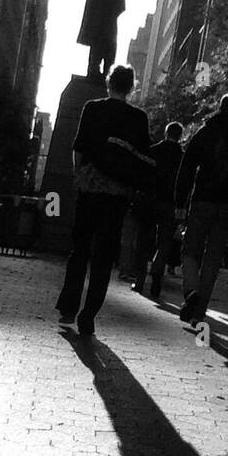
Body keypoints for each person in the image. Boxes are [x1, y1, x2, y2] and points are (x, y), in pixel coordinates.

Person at [54, 63, 152, 338]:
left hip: (90, 187)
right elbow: (141, 159)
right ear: (131, 87)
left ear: (109, 83)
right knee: (104, 256)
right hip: (118, 193)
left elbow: (79, 147)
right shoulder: (138, 118)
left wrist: (80, 178)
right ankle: (89, 314)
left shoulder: (92, 108)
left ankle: (68, 307)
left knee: (80, 248)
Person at [173, 94, 228, 324]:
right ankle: (199, 312)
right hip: (227, 205)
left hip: (202, 199)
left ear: (220, 107)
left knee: (190, 251)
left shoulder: (206, 132)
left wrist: (180, 202)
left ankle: (191, 290)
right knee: (213, 258)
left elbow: (187, 167)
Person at [128, 121, 185, 299]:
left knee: (143, 239)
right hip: (169, 203)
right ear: (180, 136)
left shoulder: (153, 151)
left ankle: (139, 279)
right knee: (164, 242)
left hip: (148, 200)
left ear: (166, 133)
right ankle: (157, 278)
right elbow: (185, 183)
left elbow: (139, 175)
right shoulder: (182, 157)